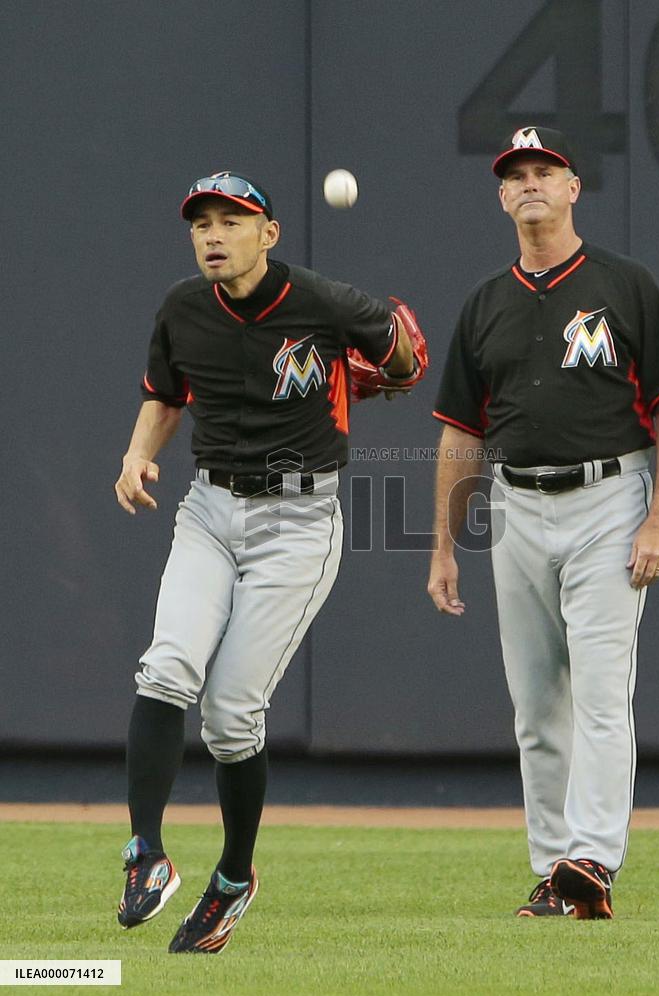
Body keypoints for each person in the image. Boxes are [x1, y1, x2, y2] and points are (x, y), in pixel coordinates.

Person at [114, 171, 420, 953]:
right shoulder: (184, 307)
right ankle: (146, 853)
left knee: (229, 715)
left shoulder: (323, 302)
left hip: (298, 521)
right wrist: (138, 454)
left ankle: (232, 878)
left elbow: (404, 361)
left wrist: (383, 360)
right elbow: (165, 394)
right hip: (210, 510)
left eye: (231, 220)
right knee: (166, 668)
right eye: (202, 223)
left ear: (268, 234)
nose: (214, 235)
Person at [428, 127, 659, 919]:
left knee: (601, 693)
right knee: (537, 704)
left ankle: (593, 859)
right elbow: (461, 433)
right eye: (516, 174)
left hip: (610, 497)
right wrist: (444, 544)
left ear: (574, 187)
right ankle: (555, 870)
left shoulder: (625, 284)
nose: (530, 183)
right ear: (501, 196)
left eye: (545, 170)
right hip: (515, 505)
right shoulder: (485, 303)